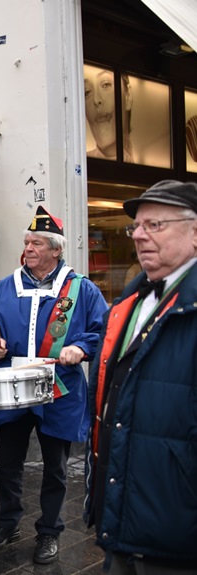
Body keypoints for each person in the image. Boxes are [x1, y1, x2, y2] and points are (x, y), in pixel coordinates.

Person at [0, 206, 108, 564]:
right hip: (13, 386)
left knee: (56, 468)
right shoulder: (6, 286)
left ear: (56, 250)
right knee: (9, 462)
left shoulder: (82, 289)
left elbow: (102, 329)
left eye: (36, 243)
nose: (28, 248)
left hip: (59, 388)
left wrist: (80, 347)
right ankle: (7, 522)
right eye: (26, 242)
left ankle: (49, 531)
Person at [84, 180, 197, 573]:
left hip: (177, 535)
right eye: (136, 226)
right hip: (123, 521)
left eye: (156, 225)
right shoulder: (130, 302)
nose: (139, 235)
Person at [84, 66, 133, 162]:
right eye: (87, 92)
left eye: (106, 85)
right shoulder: (80, 164)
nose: (96, 100)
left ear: (128, 97)